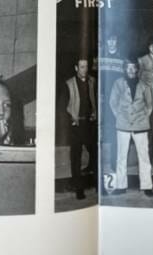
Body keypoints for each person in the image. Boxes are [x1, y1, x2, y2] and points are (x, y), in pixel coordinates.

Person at [109, 60, 153, 196]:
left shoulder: (144, 85)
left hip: (140, 124)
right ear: (124, 69)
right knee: (121, 157)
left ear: (137, 69)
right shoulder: (118, 84)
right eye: (127, 68)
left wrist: (143, 118)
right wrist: (120, 117)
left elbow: (149, 105)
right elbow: (113, 103)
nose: (130, 70)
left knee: (144, 156)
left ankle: (147, 187)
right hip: (123, 124)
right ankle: (121, 186)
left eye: (133, 68)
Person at [65, 57, 97, 199]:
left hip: (89, 124)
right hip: (76, 126)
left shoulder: (92, 81)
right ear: (76, 68)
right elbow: (63, 106)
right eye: (82, 67)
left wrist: (94, 113)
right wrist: (71, 118)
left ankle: (97, 185)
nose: (85, 69)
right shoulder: (69, 84)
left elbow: (93, 99)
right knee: (76, 158)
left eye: (86, 66)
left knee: (95, 153)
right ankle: (79, 189)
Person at [98, 33, 126, 183]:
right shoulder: (100, 56)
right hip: (103, 101)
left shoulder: (122, 59)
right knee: (100, 133)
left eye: (114, 39)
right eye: (109, 39)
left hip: (117, 103)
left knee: (117, 133)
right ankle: (98, 165)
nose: (111, 42)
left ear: (117, 41)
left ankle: (115, 164)